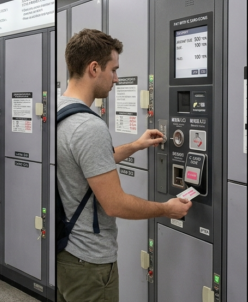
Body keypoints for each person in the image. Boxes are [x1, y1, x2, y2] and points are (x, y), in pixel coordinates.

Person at [56, 29, 192, 302]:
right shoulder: (88, 125)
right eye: (113, 70)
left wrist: (135, 145)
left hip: (65, 253)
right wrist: (167, 209)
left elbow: (88, 161)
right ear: (94, 68)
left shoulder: (60, 110)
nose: (117, 79)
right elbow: (115, 204)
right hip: (90, 263)